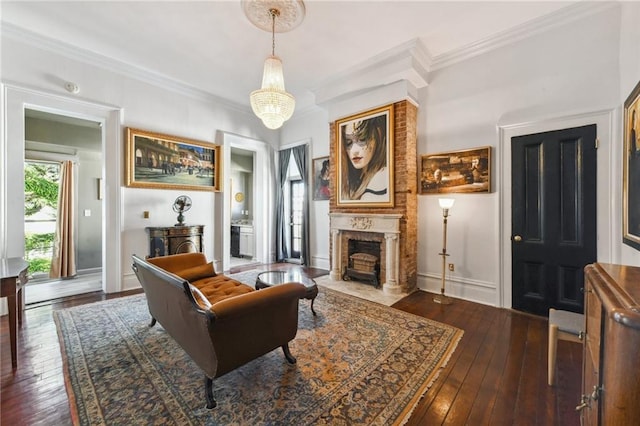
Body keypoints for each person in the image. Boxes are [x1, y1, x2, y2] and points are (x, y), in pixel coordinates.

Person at [340, 115, 387, 201]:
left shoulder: (382, 177)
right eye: (348, 142)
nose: (354, 151)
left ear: (378, 136)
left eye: (362, 139)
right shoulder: (355, 179)